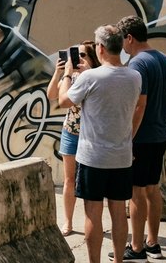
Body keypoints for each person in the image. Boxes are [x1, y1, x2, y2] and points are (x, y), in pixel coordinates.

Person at [58, 25, 142, 263]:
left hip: (93, 157)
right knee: (118, 213)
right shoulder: (135, 76)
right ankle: (117, 261)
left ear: (101, 48)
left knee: (93, 214)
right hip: (122, 157)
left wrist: (67, 74)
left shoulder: (89, 77)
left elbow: (64, 100)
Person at [116, 15, 166, 261]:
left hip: (141, 138)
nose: (122, 47)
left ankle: (136, 248)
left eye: (122, 40)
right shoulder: (162, 59)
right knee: (153, 189)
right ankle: (153, 244)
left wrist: (129, 137)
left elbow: (139, 106)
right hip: (158, 135)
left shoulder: (138, 64)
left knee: (136, 192)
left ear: (129, 38)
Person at [47, 40, 100, 236]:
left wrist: (86, 73)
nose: (77, 59)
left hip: (91, 135)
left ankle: (92, 223)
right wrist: (59, 73)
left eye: (83, 55)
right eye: (75, 55)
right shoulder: (72, 77)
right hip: (71, 132)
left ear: (93, 59)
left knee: (89, 182)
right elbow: (53, 95)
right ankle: (68, 222)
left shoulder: (96, 77)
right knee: (69, 180)